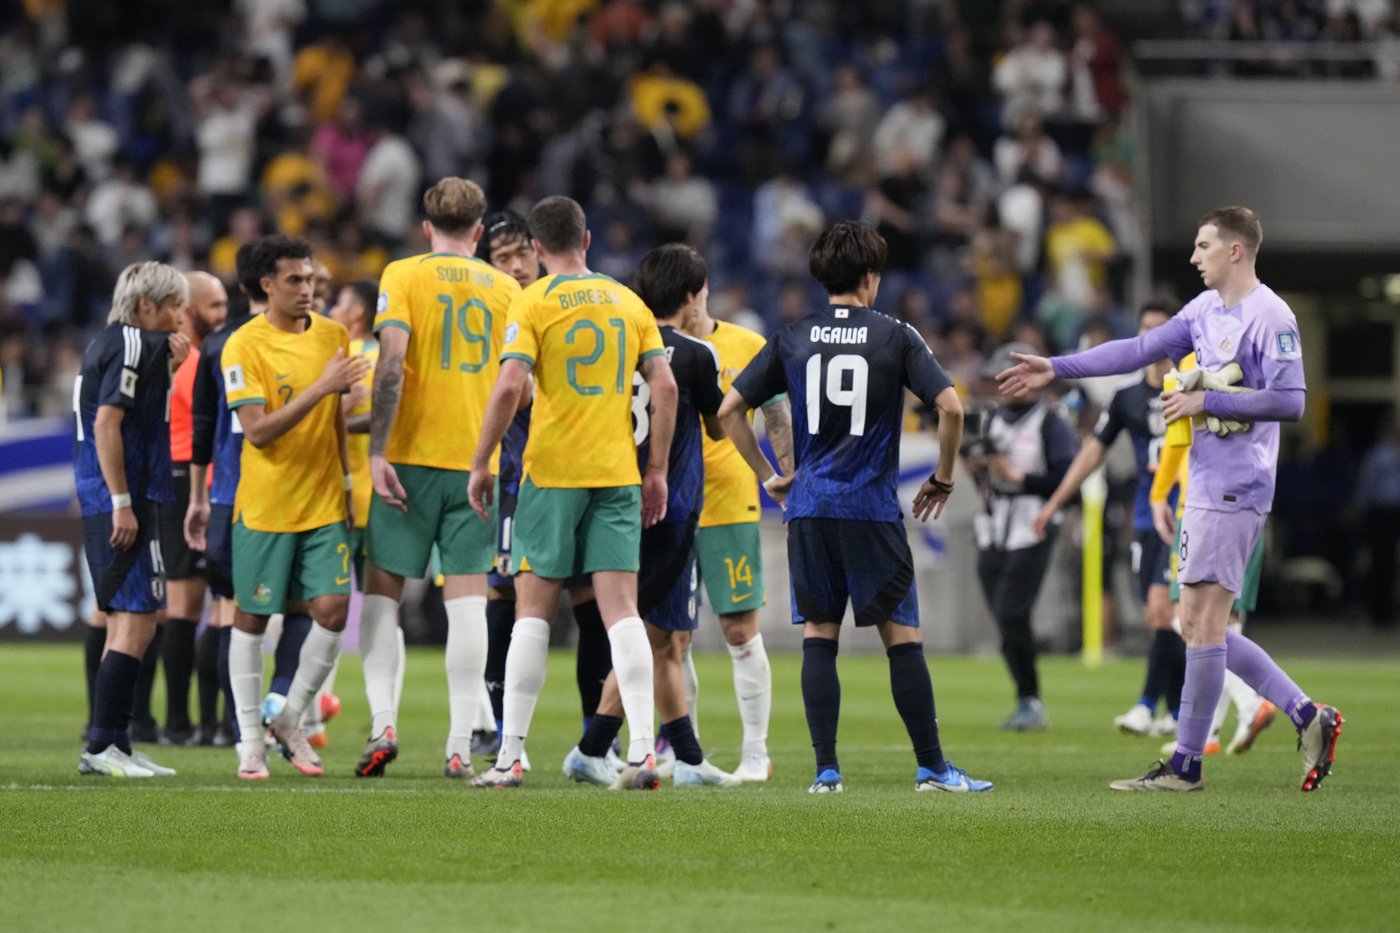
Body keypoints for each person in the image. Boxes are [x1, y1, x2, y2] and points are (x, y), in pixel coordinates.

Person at [999, 206, 1343, 792]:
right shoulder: (1204, 311)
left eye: (1203, 245)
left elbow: (1290, 402)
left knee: (1201, 623)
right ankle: (1308, 715)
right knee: (1196, 623)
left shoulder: (1271, 315)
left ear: (1235, 250)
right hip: (1204, 484)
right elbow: (1135, 350)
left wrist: (1210, 403)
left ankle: (1187, 764)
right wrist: (1055, 368)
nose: (1193, 256)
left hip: (1238, 484)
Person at [717, 220, 992, 794]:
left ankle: (825, 773)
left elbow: (728, 411)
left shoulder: (792, 335)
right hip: (868, 508)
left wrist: (772, 476)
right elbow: (952, 408)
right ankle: (934, 768)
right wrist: (942, 477)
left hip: (810, 508)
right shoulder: (895, 335)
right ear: (871, 277)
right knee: (902, 637)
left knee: (821, 634)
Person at [467, 195, 678, 790]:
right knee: (623, 614)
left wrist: (481, 462)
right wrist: (656, 468)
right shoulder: (628, 301)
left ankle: (509, 759)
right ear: (586, 241)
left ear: (536, 247)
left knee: (531, 612)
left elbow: (511, 383)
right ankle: (640, 751)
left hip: (552, 473)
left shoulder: (532, 301)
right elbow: (664, 386)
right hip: (616, 474)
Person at [356, 178, 520, 779]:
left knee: (382, 593)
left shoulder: (402, 275)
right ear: (480, 232)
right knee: (468, 604)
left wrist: (377, 452)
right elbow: (518, 383)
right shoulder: (506, 288)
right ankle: (458, 740)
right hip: (477, 462)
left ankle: (383, 723)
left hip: (408, 458)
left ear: (426, 227)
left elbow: (391, 363)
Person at [562, 243, 738, 789]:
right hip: (671, 505)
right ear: (690, 297)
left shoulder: (616, 347)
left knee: (663, 640)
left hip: (610, 497)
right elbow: (716, 427)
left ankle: (685, 757)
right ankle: (594, 748)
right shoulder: (693, 354)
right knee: (649, 632)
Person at [220, 235, 370, 780]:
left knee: (331, 609)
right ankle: (250, 742)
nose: (308, 290)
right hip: (266, 505)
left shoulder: (332, 335)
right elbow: (257, 432)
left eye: (310, 280)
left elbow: (332, 415)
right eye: (295, 281)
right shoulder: (244, 345)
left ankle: (291, 719)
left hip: (325, 499)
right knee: (253, 617)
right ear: (268, 285)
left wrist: (348, 478)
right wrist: (322, 385)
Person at [476, 210, 612, 766]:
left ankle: (595, 734)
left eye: (519, 256)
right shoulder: (497, 317)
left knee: (590, 607)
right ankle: (500, 729)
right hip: (519, 480)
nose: (513, 268)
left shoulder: (560, 306)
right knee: (507, 598)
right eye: (500, 260)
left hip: (578, 475)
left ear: (538, 251)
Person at [1032, 301, 1185, 736]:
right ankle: (1176, 714)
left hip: (1185, 515)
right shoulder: (1128, 398)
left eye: (1161, 329)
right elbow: (1092, 453)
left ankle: (1145, 704)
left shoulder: (1192, 388)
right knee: (1161, 617)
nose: (1153, 338)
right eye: (1146, 329)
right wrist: (1055, 501)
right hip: (1145, 515)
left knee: (1163, 613)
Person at [74, 261, 190, 777]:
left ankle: (115, 743)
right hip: (123, 496)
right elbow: (107, 424)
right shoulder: (134, 343)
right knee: (135, 620)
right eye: (174, 305)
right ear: (147, 305)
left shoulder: (112, 343)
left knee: (134, 620)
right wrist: (122, 499)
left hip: (122, 492)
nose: (180, 315)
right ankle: (101, 747)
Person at [680, 272, 792, 783]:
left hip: (728, 503)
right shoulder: (649, 342)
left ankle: (755, 753)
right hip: (669, 507)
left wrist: (784, 473)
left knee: (740, 629)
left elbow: (776, 412)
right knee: (670, 637)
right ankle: (684, 750)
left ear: (701, 290)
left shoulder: (745, 344)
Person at [967, 343, 1077, 731]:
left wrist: (1019, 477)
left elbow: (1068, 482)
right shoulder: (992, 419)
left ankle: (1030, 699)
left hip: (1033, 527)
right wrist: (977, 466)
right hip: (994, 527)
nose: (1003, 387)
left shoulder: (1050, 423)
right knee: (1005, 616)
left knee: (1013, 612)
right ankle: (1025, 697)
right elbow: (985, 477)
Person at [154, 270, 227, 747]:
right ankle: (186, 723)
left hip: (199, 482)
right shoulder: (185, 360)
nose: (222, 314)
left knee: (210, 606)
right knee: (189, 606)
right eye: (214, 305)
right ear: (187, 310)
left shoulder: (194, 357)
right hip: (186, 481)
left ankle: (200, 723)